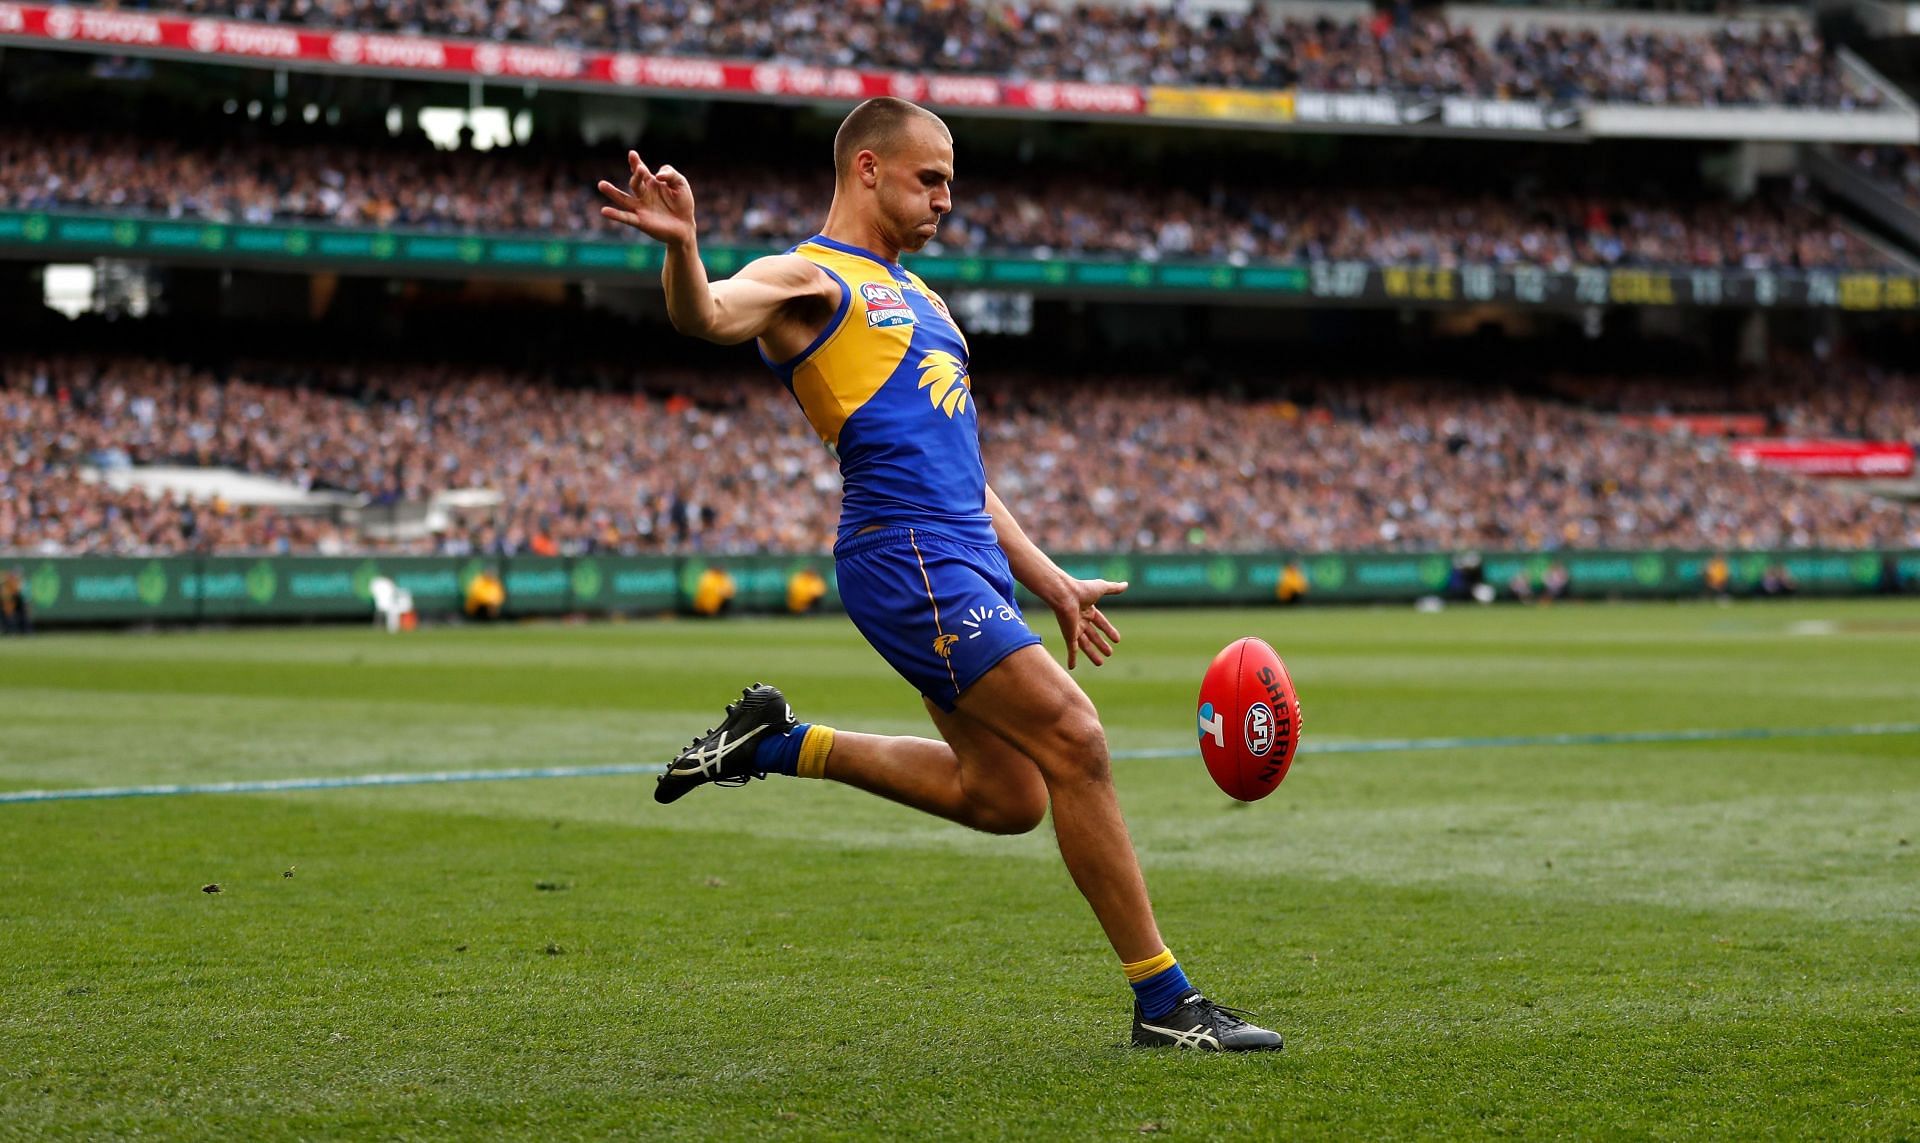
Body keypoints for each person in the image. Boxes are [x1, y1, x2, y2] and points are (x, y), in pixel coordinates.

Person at [597, 96, 1280, 1052]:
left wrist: (1050, 579)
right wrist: (682, 246)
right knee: (1077, 739)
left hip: (962, 552)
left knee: (1007, 798)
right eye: (930, 179)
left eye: (952, 183)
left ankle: (776, 744)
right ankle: (1165, 1003)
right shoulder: (809, 277)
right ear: (867, 170)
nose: (946, 199)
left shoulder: (925, 299)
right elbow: (707, 314)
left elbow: (969, 473)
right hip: (905, 553)